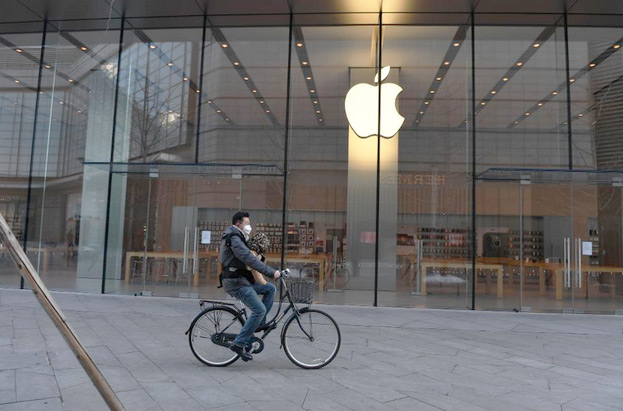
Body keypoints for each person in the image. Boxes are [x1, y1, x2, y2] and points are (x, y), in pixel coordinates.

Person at [220, 211, 281, 362]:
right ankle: (238, 344)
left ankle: (258, 324)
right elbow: (247, 258)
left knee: (270, 289)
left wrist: (261, 258)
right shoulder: (234, 238)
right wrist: (271, 272)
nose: (249, 226)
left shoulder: (241, 238)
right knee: (259, 309)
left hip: (242, 280)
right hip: (236, 282)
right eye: (247, 223)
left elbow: (252, 256)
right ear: (238, 224)